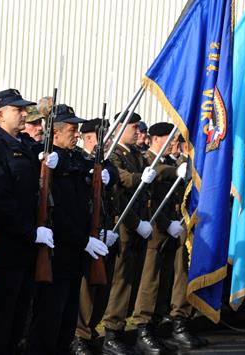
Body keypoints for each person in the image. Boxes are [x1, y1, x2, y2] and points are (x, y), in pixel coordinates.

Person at [0, 89, 59, 355]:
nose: (24, 114)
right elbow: (1, 202)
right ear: (0, 114)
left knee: (19, 319)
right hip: (5, 248)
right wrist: (31, 232)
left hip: (26, 249)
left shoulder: (24, 145)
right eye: (17, 110)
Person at [25, 105, 112, 354]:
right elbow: (57, 214)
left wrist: (108, 175)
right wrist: (82, 240)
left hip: (74, 255)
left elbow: (101, 172)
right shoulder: (47, 159)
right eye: (72, 130)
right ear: (55, 134)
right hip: (56, 253)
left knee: (66, 324)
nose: (77, 135)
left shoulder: (75, 159)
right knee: (46, 323)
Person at [133, 123, 204, 352]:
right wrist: (165, 223)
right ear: (154, 139)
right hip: (154, 229)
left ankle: (174, 323)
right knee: (150, 282)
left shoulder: (171, 163)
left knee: (173, 277)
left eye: (175, 140)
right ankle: (144, 328)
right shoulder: (148, 162)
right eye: (169, 140)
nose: (174, 144)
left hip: (174, 227)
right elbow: (150, 200)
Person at [101, 112, 157, 355]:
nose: (138, 131)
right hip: (124, 224)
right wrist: (136, 223)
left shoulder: (135, 154)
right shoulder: (114, 153)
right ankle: (112, 331)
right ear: (120, 128)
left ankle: (122, 329)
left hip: (138, 223)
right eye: (133, 127)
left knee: (132, 278)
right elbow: (121, 186)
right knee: (120, 280)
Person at [73, 118, 120, 355]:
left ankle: (90, 330)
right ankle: (80, 334)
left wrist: (108, 174)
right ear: (90, 138)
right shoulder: (80, 159)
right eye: (105, 137)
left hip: (104, 228)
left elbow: (113, 174)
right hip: (86, 231)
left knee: (102, 288)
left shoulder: (103, 161)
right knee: (86, 289)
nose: (110, 141)